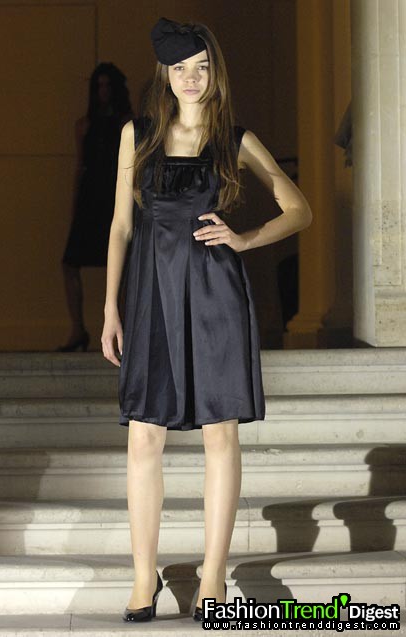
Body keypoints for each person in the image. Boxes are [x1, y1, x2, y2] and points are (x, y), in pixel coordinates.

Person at [101, 17, 312, 623]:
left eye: (201, 67)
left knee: (221, 433)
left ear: (215, 72)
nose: (191, 78)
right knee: (145, 433)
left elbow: (298, 209)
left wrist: (244, 240)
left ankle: (213, 577)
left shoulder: (233, 139)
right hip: (150, 293)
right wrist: (111, 306)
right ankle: (144, 578)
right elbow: (120, 226)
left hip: (215, 293)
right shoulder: (137, 134)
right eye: (180, 68)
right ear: (165, 74)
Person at [57, 63, 133, 352]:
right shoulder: (84, 125)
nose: (103, 92)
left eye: (108, 85)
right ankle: (78, 329)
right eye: (98, 86)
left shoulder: (128, 124)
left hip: (116, 196)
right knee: (69, 263)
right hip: (91, 198)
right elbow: (80, 166)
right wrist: (74, 207)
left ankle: (123, 326)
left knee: (123, 262)